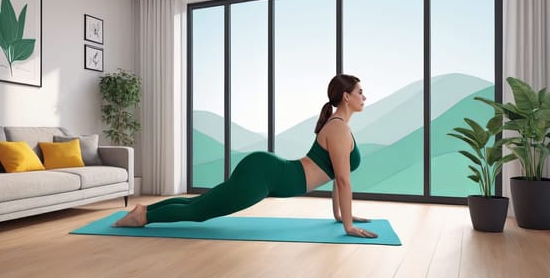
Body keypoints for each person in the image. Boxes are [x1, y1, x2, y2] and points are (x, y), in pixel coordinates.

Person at [114, 74, 378, 238]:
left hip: (269, 172)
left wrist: (341, 216)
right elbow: (343, 181)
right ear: (346, 96)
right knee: (202, 211)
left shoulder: (339, 126)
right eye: (360, 92)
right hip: (268, 176)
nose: (364, 96)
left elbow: (336, 178)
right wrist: (348, 226)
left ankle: (144, 209)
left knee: (205, 202)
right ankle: (144, 218)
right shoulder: (339, 129)